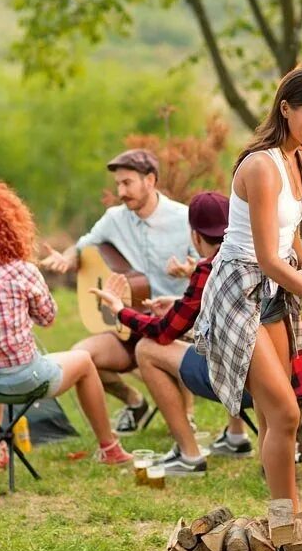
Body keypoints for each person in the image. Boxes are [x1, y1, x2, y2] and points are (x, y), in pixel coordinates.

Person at [195, 66, 302, 512]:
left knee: (278, 415)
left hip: (273, 294)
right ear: (285, 108)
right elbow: (267, 257)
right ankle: (287, 519)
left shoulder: (299, 158)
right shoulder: (262, 166)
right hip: (239, 292)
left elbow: (287, 233)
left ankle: (282, 515)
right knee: (288, 414)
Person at [0, 178, 132, 472]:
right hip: (26, 379)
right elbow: (48, 318)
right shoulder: (23, 273)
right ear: (12, 226)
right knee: (85, 362)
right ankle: (110, 448)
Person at [92, 191, 261, 475]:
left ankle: (188, 454)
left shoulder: (209, 268)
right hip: (282, 380)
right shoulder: (256, 254)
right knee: (227, 337)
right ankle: (235, 437)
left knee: (147, 349)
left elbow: (164, 331)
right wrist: (176, 304)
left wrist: (120, 310)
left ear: (195, 237)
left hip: (245, 385)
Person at [40, 149, 195, 435]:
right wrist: (67, 257)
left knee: (157, 352)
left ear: (150, 180)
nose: (121, 191)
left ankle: (185, 417)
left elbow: (206, 267)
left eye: (127, 183)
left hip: (171, 323)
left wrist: (189, 269)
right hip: (129, 321)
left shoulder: (184, 218)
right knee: (80, 357)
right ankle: (134, 402)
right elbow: (84, 244)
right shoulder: (114, 218)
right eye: (118, 184)